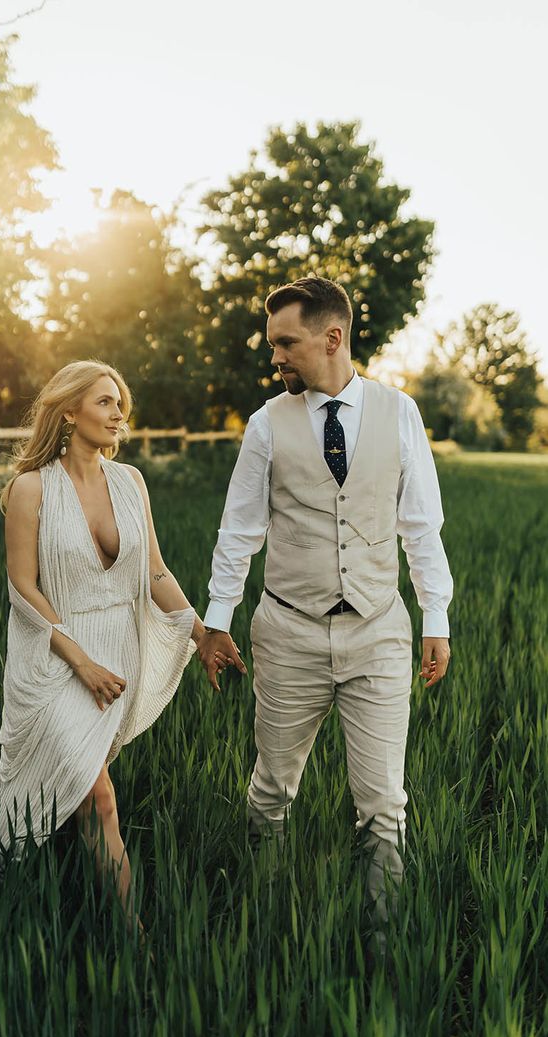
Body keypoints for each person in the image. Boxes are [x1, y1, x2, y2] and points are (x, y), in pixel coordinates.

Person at [196, 276, 453, 947]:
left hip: (378, 633)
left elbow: (421, 524)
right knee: (273, 791)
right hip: (288, 635)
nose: (273, 356)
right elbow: (240, 530)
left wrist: (436, 619)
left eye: (285, 342)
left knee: (384, 805)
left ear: (331, 336)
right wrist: (217, 620)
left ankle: (383, 945)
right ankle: (270, 926)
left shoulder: (399, 413)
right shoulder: (264, 425)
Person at [0, 359, 214, 946]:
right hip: (58, 656)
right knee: (96, 794)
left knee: (81, 790)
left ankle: (14, 885)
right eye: (106, 402)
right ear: (68, 411)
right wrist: (79, 660)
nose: (119, 414)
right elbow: (22, 588)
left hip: (118, 655)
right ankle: (130, 935)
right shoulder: (30, 488)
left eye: (120, 404)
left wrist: (201, 632)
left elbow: (155, 572)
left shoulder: (131, 482)